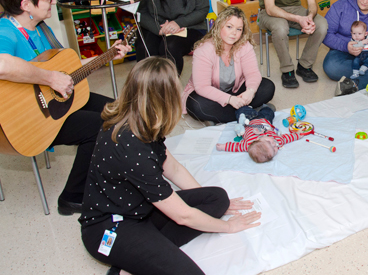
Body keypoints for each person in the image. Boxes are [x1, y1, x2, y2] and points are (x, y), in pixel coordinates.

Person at [79, 57, 261, 275]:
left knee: (217, 199)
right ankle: (127, 266)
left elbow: (172, 168)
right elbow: (183, 216)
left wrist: (207, 202)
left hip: (142, 208)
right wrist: (228, 227)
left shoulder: (140, 120)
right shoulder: (132, 148)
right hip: (111, 227)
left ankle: (145, 255)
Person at [0, 0, 130, 216]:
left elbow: (64, 67)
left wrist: (107, 56)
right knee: (98, 126)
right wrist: (49, 78)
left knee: (117, 109)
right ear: (26, 5)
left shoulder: (39, 29)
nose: (53, 1)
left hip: (54, 103)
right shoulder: (6, 31)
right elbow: (2, 64)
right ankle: (72, 196)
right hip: (29, 119)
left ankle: (110, 171)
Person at [183, 6, 275, 124]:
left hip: (235, 90)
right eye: (229, 27)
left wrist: (250, 92)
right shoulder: (204, 50)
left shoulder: (244, 45)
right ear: (219, 26)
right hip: (212, 95)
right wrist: (229, 99)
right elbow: (202, 87)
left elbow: (252, 73)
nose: (234, 33)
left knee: (267, 87)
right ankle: (252, 113)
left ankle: (225, 116)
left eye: (239, 29)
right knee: (195, 104)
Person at [216, 107, 300, 163]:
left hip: (248, 121)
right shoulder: (278, 141)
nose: (274, 144)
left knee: (242, 111)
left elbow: (235, 147)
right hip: (265, 120)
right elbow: (287, 138)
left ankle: (249, 109)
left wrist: (223, 146)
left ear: (257, 140)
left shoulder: (248, 144)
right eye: (274, 148)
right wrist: (298, 135)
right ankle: (259, 108)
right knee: (269, 111)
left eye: (270, 144)